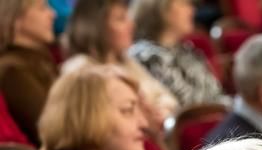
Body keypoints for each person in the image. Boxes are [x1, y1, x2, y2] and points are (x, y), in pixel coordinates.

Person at [63, 0, 178, 131]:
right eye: (121, 19)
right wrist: (144, 115)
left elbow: (166, 97)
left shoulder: (126, 61)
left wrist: (162, 111)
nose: (132, 24)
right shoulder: (80, 69)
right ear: (96, 26)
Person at [129, 0, 226, 109]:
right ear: (162, 11)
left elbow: (215, 93)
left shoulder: (185, 49)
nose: (192, 10)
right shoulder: (148, 56)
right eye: (184, 4)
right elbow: (190, 106)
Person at [0, 0, 57, 146]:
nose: (53, 14)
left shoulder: (41, 60)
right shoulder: (12, 71)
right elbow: (53, 131)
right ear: (16, 18)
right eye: (42, 8)